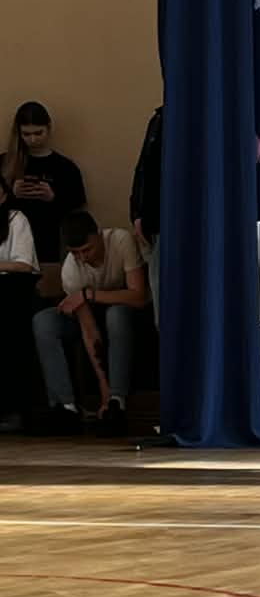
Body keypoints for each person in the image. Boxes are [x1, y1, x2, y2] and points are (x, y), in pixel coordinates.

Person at [33, 209, 149, 434]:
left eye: (87, 250)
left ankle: (117, 401)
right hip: (90, 317)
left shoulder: (120, 241)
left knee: (116, 315)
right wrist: (102, 390)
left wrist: (89, 295)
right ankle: (66, 407)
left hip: (125, 310)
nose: (83, 258)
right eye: (75, 253)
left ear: (99, 234)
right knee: (44, 321)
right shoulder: (71, 270)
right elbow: (89, 332)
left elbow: (138, 296)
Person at [3, 103, 86, 271]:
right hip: (9, 245)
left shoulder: (65, 167)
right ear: (18, 132)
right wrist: (11, 194)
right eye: (26, 134)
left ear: (48, 128)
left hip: (51, 243)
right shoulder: (5, 163)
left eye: (38, 133)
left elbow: (77, 206)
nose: (33, 139)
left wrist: (53, 197)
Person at [0, 174, 40, 432]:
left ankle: (12, 408)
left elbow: (24, 264)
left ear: (4, 194)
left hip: (14, 288)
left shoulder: (16, 219)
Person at [130, 104, 163, 323]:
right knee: (163, 301)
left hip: (188, 223)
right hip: (157, 222)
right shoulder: (160, 119)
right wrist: (138, 213)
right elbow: (145, 168)